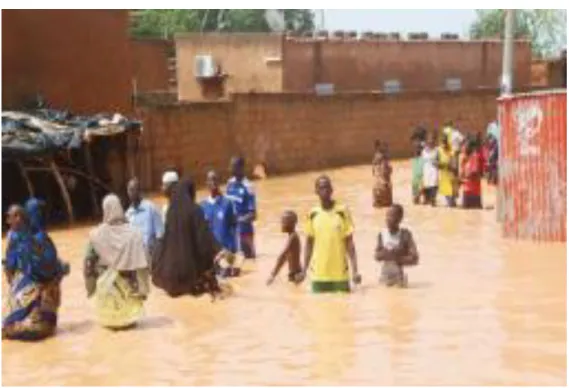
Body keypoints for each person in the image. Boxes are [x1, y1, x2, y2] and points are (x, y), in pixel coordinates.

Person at [3, 203, 69, 340]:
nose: (7, 221)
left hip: (24, 307)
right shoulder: (40, 239)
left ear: (18, 217)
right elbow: (53, 268)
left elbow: (9, 269)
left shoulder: (18, 239)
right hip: (45, 315)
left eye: (9, 217)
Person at [84, 194, 150, 330]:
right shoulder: (134, 234)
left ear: (105, 210)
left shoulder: (95, 235)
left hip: (106, 312)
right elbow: (144, 264)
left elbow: (88, 266)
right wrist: (143, 291)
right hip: (131, 310)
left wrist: (91, 289)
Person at [152, 179, 223, 299]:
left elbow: (165, 241)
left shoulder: (170, 212)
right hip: (191, 280)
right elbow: (203, 242)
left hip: (170, 280)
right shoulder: (195, 210)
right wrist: (218, 252)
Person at [299, 175, 361, 293]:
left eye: (327, 187)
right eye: (321, 188)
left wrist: (355, 271)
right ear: (316, 191)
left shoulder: (342, 211)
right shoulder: (312, 214)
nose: (325, 190)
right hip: (318, 275)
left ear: (332, 190)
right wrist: (304, 270)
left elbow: (350, 244)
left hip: (340, 275)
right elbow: (309, 244)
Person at [200, 170, 239, 278]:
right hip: (210, 256)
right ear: (206, 183)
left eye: (215, 179)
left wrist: (233, 253)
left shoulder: (227, 203)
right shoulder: (202, 206)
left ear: (219, 182)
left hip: (225, 254)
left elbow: (234, 228)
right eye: (210, 180)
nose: (212, 182)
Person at [375, 204, 419, 287]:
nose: (387, 219)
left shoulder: (405, 235)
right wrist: (385, 254)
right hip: (384, 279)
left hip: (399, 279)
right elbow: (376, 256)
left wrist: (398, 258)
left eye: (391, 216)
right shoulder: (382, 234)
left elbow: (415, 259)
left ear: (399, 219)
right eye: (387, 215)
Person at [226, 157, 257, 259]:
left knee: (249, 260)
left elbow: (253, 215)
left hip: (245, 233)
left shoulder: (248, 186)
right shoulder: (229, 184)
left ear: (241, 168)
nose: (230, 169)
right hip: (232, 234)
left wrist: (238, 221)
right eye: (230, 166)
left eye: (233, 166)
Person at [126, 178, 164, 256]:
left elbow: (160, 235)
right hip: (135, 256)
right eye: (129, 190)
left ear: (140, 191)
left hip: (150, 254)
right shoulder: (128, 214)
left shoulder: (151, 208)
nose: (131, 193)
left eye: (134, 190)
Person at [267, 210, 302, 285]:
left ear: (291, 224)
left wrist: (273, 275)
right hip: (294, 274)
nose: (281, 225)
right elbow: (285, 258)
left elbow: (282, 256)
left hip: (296, 275)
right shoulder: (292, 237)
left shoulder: (293, 237)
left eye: (284, 222)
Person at [461, 137, 484, 209]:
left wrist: (466, 177)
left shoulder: (475, 157)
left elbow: (474, 172)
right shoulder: (465, 158)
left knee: (473, 209)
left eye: (466, 146)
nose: (464, 148)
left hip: (473, 190)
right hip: (467, 189)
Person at [437, 134, 458, 207]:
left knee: (452, 188)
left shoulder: (451, 150)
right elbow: (437, 161)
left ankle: (452, 202)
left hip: (451, 172)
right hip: (443, 173)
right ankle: (450, 202)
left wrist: (452, 167)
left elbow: (454, 162)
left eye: (444, 141)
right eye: (442, 142)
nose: (443, 143)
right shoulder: (439, 150)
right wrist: (439, 165)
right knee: (445, 188)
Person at [372, 143, 393, 208]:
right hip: (383, 187)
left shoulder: (377, 162)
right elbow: (387, 171)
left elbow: (374, 172)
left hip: (380, 188)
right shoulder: (383, 162)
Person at [421, 132, 439, 206]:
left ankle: (433, 199)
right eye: (429, 142)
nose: (430, 143)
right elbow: (422, 161)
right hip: (426, 169)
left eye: (432, 142)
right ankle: (426, 198)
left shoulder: (437, 150)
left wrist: (437, 163)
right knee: (426, 184)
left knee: (434, 184)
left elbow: (439, 160)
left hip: (434, 169)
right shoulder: (424, 151)